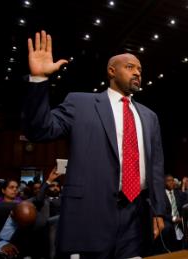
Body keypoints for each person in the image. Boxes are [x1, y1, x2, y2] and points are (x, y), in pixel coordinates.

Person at [21, 30, 166, 258]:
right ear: (111, 71)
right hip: (91, 213)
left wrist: (159, 212)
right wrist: (39, 79)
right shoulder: (81, 103)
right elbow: (39, 130)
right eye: (130, 67)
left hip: (136, 217)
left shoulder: (149, 116)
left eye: (139, 69)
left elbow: (156, 168)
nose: (137, 72)